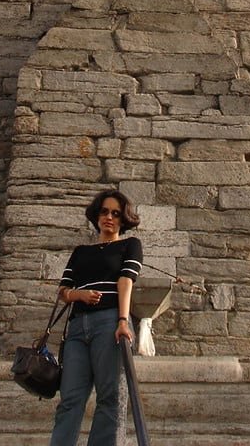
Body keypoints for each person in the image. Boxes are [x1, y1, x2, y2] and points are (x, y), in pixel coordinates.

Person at [50, 189, 143, 446]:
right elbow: (63, 292)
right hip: (78, 329)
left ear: (123, 219)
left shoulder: (129, 245)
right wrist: (79, 295)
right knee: (70, 399)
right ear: (96, 216)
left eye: (115, 213)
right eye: (104, 212)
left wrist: (123, 321)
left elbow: (126, 281)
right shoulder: (80, 251)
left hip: (109, 322)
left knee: (110, 398)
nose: (109, 217)